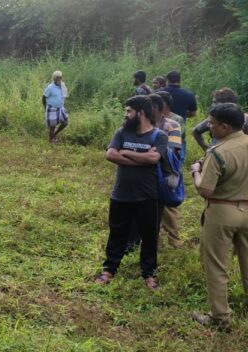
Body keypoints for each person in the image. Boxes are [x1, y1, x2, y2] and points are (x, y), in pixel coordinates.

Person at [95, 95, 167, 290]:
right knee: (117, 233)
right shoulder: (122, 132)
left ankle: (149, 273)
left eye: (129, 111)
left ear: (141, 113)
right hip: (121, 194)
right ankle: (109, 269)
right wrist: (141, 158)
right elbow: (110, 154)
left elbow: (153, 159)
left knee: (149, 236)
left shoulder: (159, 136)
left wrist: (126, 152)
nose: (125, 114)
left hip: (148, 195)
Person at [189, 103, 248, 332]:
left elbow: (205, 189)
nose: (209, 127)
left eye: (212, 124)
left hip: (222, 211)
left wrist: (196, 171)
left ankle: (220, 318)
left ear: (225, 126)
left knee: (216, 265)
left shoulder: (218, 152)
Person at [151, 93, 184, 248]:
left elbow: (173, 149)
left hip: (167, 171)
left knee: (169, 207)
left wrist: (151, 152)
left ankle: (174, 241)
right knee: (150, 207)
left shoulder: (172, 124)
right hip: (148, 172)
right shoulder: (142, 123)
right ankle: (153, 242)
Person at [192, 88, 239, 152]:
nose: (212, 105)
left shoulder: (243, 120)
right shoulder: (215, 119)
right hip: (217, 153)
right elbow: (196, 131)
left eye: (214, 102)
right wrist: (205, 147)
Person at [42, 71, 69, 143]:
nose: (58, 79)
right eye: (57, 77)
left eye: (60, 77)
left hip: (60, 108)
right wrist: (45, 108)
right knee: (52, 126)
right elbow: (44, 98)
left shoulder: (62, 85)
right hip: (52, 108)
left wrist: (63, 106)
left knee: (65, 122)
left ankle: (55, 134)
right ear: (54, 78)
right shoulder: (50, 87)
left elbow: (64, 96)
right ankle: (51, 140)